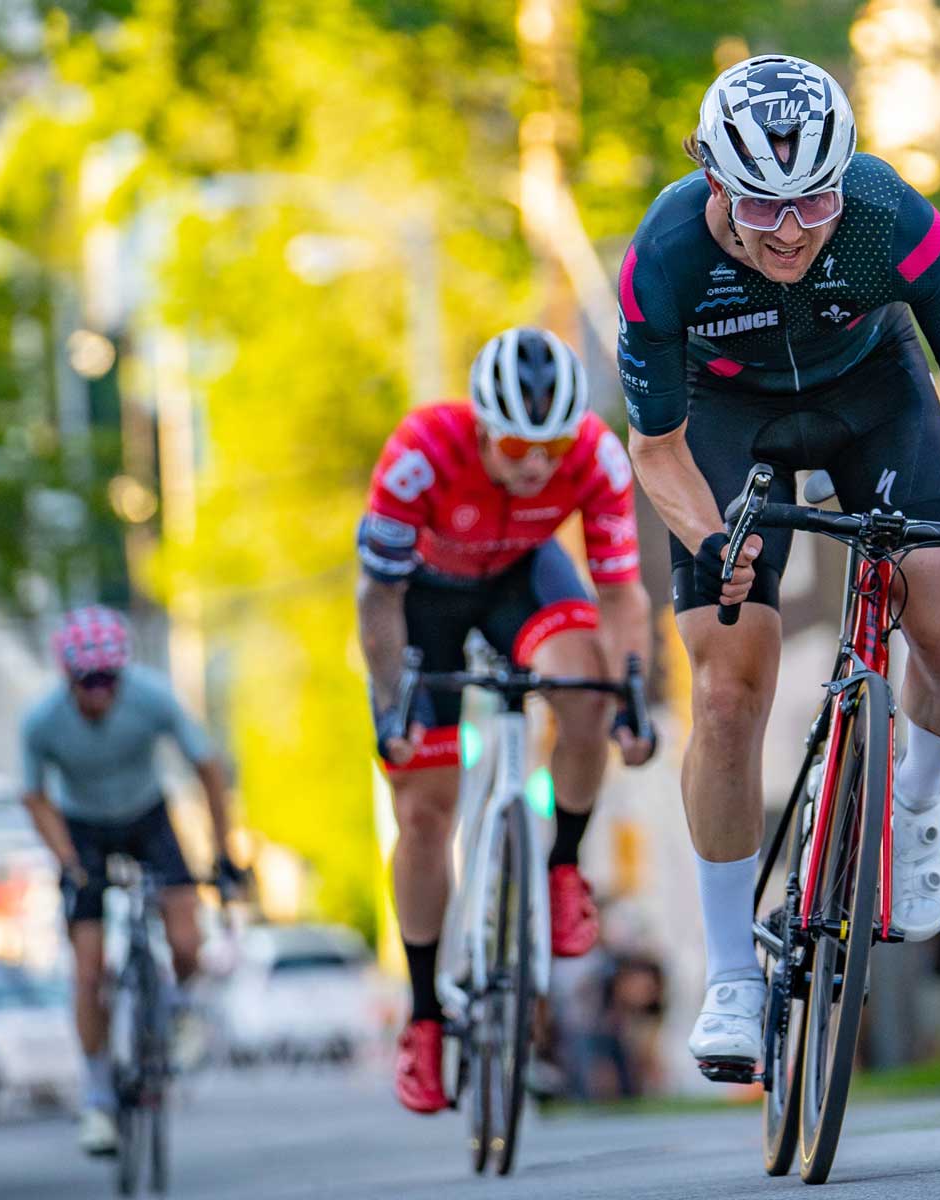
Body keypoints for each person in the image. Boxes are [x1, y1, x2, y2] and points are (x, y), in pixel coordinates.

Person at [617, 54, 940, 1075]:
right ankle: (734, 976)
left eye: (813, 201)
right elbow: (655, 448)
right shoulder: (665, 251)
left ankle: (912, 807)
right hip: (723, 419)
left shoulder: (893, 219)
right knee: (728, 690)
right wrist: (710, 545)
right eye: (761, 204)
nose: (789, 230)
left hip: (872, 396)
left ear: (847, 177)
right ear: (711, 177)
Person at [357, 326, 656, 1113]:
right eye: (518, 444)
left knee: (584, 691)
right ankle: (424, 1017)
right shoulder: (421, 451)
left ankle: (561, 866)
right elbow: (377, 598)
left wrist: (631, 690)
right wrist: (395, 701)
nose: (534, 463)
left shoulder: (596, 458)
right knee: (425, 814)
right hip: (424, 603)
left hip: (521, 578)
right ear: (482, 428)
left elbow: (622, 594)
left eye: (552, 445)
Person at [20, 605, 242, 1155]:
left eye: (109, 680)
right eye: (87, 683)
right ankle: (96, 1099)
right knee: (88, 967)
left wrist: (222, 851)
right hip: (83, 829)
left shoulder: (151, 696)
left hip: (147, 816)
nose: (100, 694)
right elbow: (34, 797)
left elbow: (207, 765)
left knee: (187, 936)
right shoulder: (42, 721)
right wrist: (68, 861)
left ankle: (175, 1013)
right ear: (68, 679)